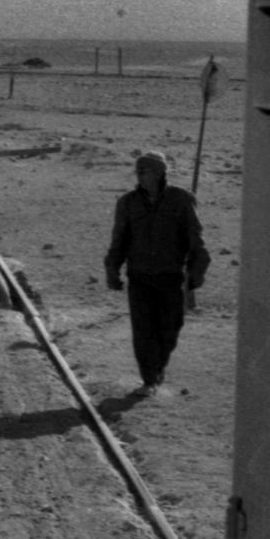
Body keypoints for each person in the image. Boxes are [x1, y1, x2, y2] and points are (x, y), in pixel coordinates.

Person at [104, 149, 208, 396]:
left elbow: (195, 238)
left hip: (171, 276)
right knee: (143, 330)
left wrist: (196, 272)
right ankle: (149, 379)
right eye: (138, 171)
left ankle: (158, 368)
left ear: (160, 172)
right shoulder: (127, 203)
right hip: (139, 276)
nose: (140, 175)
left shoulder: (181, 199)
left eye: (145, 170)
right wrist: (112, 269)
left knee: (169, 329)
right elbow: (119, 240)